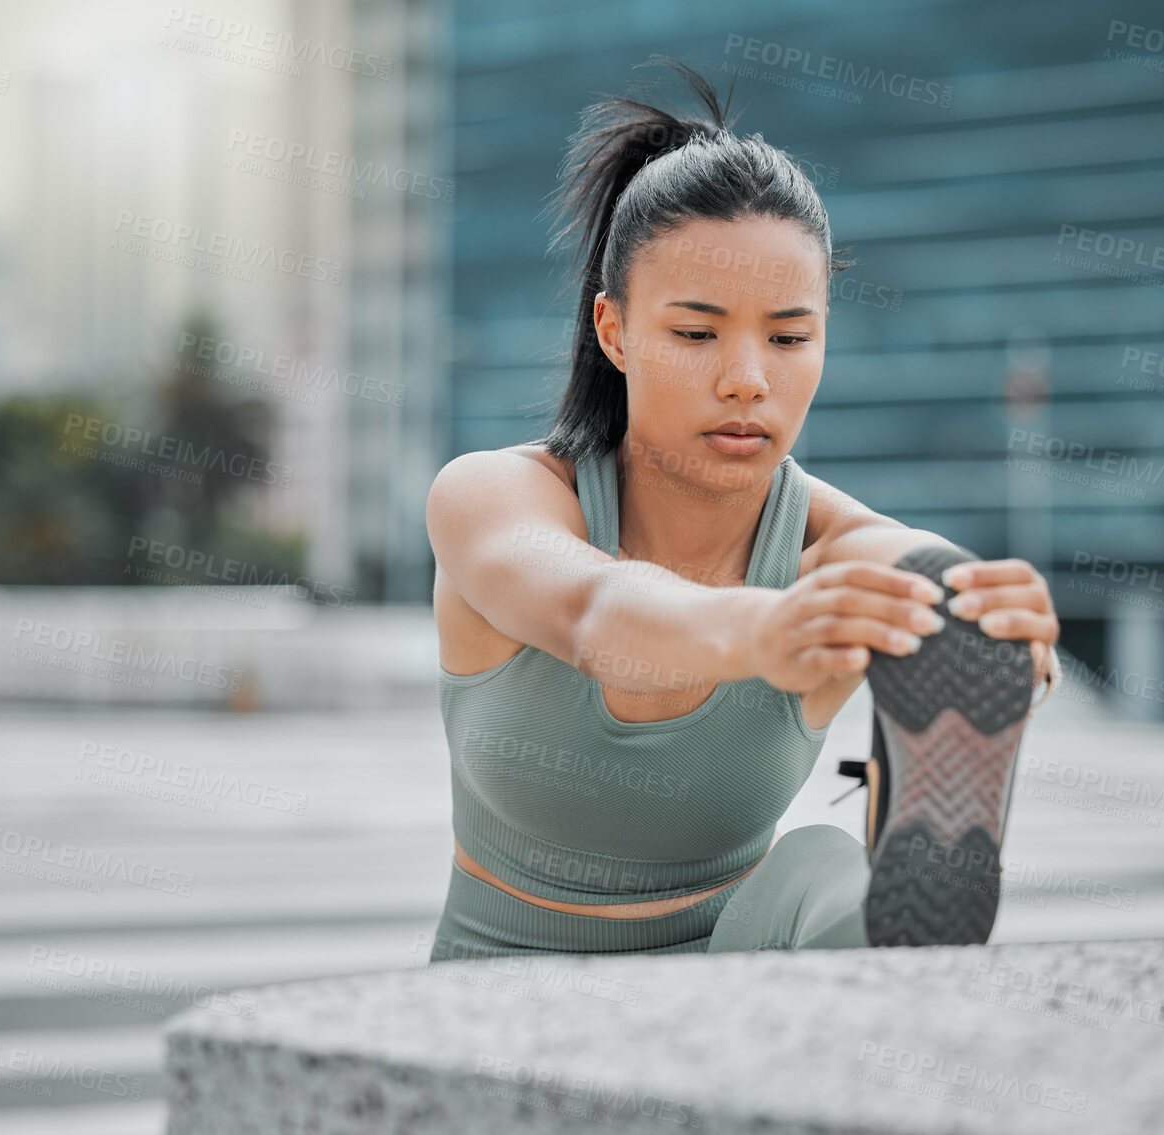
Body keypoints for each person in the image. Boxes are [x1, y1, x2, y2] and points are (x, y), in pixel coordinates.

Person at [425, 58, 1061, 962]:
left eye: (791, 336)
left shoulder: (827, 550)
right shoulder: (494, 495)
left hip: (726, 1000)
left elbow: (909, 562)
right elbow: (592, 609)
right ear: (614, 330)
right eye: (696, 332)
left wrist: (979, 614)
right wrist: (767, 632)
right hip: (492, 1005)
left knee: (818, 863)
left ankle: (901, 934)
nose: (748, 380)